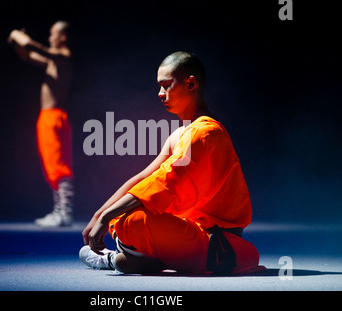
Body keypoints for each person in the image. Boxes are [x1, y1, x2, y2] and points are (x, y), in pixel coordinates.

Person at [79, 51, 265, 274]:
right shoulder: (179, 134)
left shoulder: (206, 133)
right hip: (187, 232)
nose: (160, 93)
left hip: (216, 243)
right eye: (159, 86)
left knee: (130, 219)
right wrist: (101, 214)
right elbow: (144, 178)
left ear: (191, 83)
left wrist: (108, 216)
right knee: (123, 210)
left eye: (166, 85)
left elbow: (166, 182)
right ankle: (135, 259)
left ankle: (127, 258)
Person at [8, 21, 74, 227]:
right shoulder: (52, 62)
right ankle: (61, 211)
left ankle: (64, 212)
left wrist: (20, 37)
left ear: (63, 37)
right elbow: (27, 55)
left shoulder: (63, 55)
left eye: (53, 33)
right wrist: (16, 43)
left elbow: (34, 48)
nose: (50, 37)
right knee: (53, 165)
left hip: (52, 117)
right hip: (52, 117)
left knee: (58, 166)